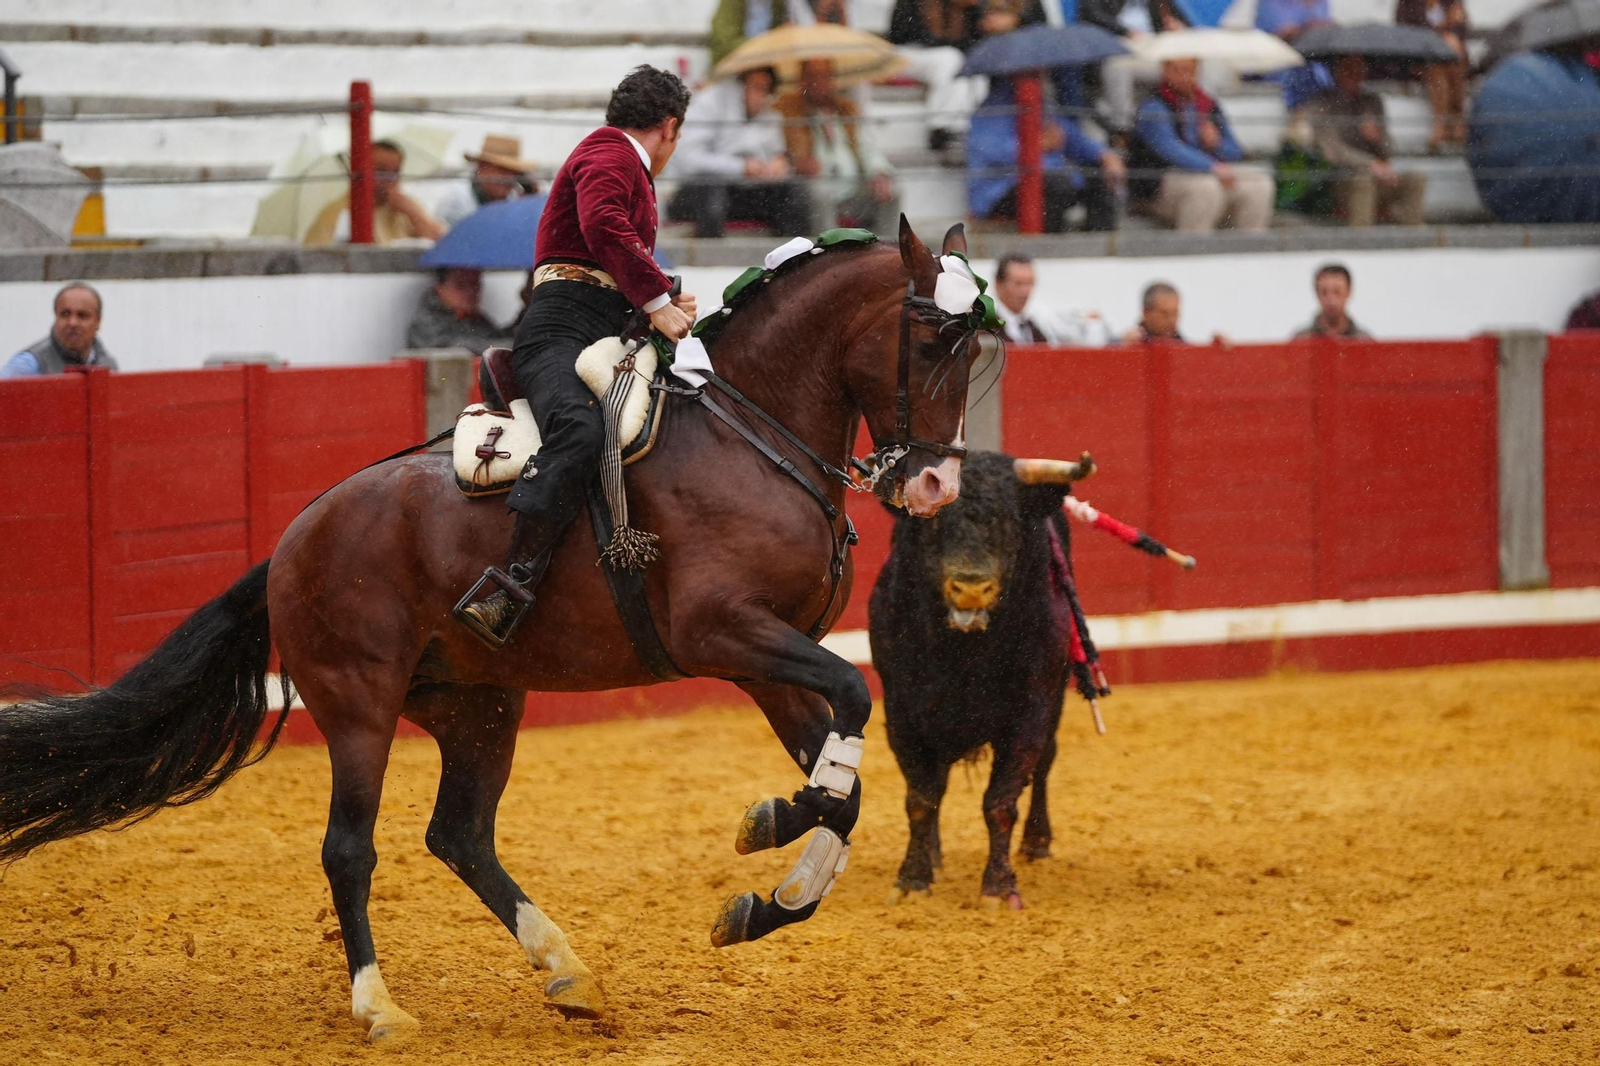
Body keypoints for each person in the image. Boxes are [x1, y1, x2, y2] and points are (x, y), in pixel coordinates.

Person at [456, 66, 698, 647]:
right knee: (580, 430)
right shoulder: (612, 155)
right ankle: (508, 582)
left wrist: (659, 290)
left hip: (598, 325)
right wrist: (658, 298)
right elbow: (603, 225)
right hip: (559, 330)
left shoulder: (611, 157)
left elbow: (598, 251)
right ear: (669, 127)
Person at [1129, 58, 1274, 233]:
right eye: (1178, 70)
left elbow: (1235, 150)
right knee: (1205, 189)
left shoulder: (1207, 105)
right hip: (1162, 181)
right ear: (1165, 71)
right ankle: (1194, 246)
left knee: (1258, 183)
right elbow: (1169, 149)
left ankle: (1251, 246)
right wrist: (1210, 166)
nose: (1185, 77)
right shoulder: (1154, 106)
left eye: (1190, 71)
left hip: (1212, 173)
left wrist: (1216, 143)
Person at [666, 67, 810, 238]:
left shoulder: (771, 116)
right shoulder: (708, 103)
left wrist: (779, 163)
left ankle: (789, 255)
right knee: (712, 193)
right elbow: (689, 160)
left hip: (746, 192)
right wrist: (741, 167)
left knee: (794, 194)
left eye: (767, 88)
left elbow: (776, 152)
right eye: (758, 87)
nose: (762, 96)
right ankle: (711, 257)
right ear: (741, 85)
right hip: (699, 191)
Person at [968, 78, 1125, 233]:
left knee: (1100, 174)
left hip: (1053, 179)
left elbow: (1074, 139)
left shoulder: (1043, 103)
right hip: (1001, 190)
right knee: (1056, 185)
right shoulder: (992, 109)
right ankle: (1048, 244)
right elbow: (988, 150)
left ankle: (1099, 240)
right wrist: (1037, 144)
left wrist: (1105, 155)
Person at [887, 0, 1047, 151]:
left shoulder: (974, 7)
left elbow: (974, 44)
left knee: (975, 71)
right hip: (909, 53)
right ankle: (941, 125)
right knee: (949, 59)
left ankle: (963, 129)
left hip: (959, 57)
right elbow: (900, 35)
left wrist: (971, 12)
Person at [774, 59, 900, 233]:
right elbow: (780, 153)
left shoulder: (846, 109)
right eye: (812, 76)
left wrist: (879, 173)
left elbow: (867, 148)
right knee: (819, 194)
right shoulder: (789, 111)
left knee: (892, 192)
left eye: (825, 76)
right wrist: (797, 164)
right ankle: (829, 254)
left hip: (854, 187)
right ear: (802, 80)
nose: (819, 82)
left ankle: (886, 252)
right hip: (815, 186)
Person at [1308, 56, 1427, 227]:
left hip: (1380, 175)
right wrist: (1370, 164)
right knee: (1363, 181)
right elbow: (1332, 151)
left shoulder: (1373, 103)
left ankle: (1414, 238)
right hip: (1341, 178)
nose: (1356, 75)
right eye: (1349, 70)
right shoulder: (1323, 105)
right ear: (1337, 73)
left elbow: (1389, 150)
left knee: (1415, 179)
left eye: (1360, 70)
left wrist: (1376, 138)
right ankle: (1361, 239)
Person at [304, 139, 446, 245]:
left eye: (395, 172)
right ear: (361, 172)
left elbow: (445, 245)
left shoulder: (404, 208)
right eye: (381, 171)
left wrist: (415, 213)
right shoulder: (338, 212)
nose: (390, 179)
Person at [993, 254, 1113, 346]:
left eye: (1030, 283)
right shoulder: (985, 328)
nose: (1025, 291)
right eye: (1018, 284)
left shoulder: (1037, 325)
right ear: (999, 285)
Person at [2, 282, 118, 377]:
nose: (72, 323)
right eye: (65, 314)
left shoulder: (107, 365)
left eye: (82, 315)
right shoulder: (28, 365)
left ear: (98, 322)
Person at [1396, 0, 1469, 151]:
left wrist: (1453, 30)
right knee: (1440, 61)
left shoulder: (1452, 2)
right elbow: (1405, 31)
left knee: (1449, 56)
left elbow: (1463, 30)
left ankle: (1441, 123)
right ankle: (1455, 120)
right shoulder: (1408, 3)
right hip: (1420, 58)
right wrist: (1443, 31)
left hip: (1450, 57)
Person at [435, 135, 537, 229]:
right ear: (482, 168)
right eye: (502, 171)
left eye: (515, 173)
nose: (509, 178)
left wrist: (531, 203)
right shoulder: (458, 199)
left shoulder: (515, 199)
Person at [404, 268, 511, 354]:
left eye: (475, 284)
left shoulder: (478, 320)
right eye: (460, 285)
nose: (471, 292)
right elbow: (451, 346)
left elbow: (496, 338)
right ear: (439, 287)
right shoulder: (425, 322)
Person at [709, 0, 846, 66]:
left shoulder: (781, 5)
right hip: (733, 73)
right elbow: (724, 45)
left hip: (766, 76)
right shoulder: (732, 4)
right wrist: (772, 38)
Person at [1294, 263, 1372, 338]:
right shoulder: (1301, 341)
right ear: (1317, 293)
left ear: (1348, 292)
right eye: (1324, 292)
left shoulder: (1364, 342)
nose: (1331, 300)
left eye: (1337, 292)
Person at [1121, 281, 1186, 343]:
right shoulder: (1127, 345)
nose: (1171, 320)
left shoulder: (1186, 351)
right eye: (1164, 314)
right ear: (1146, 313)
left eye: (1175, 313)